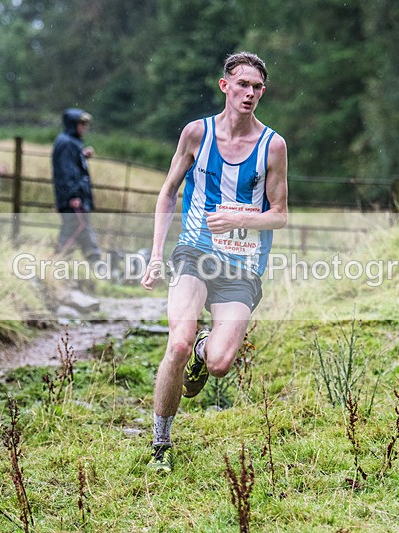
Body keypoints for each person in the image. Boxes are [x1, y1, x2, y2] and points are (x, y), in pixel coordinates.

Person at [140, 51, 288, 473]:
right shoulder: (195, 134)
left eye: (258, 87)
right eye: (243, 84)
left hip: (243, 265)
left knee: (220, 363)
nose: (251, 94)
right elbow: (168, 192)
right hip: (195, 250)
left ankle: (206, 350)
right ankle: (160, 445)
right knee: (178, 342)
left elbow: (279, 213)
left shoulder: (272, 145)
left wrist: (240, 216)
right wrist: (155, 255)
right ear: (225, 86)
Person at [52, 108, 102, 263]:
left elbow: (71, 167)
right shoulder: (67, 143)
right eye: (81, 124)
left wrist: (81, 155)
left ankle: (93, 263)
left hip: (75, 196)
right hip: (74, 198)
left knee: (79, 228)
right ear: (72, 124)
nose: (84, 127)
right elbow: (67, 172)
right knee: (75, 229)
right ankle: (60, 262)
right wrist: (73, 195)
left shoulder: (70, 142)